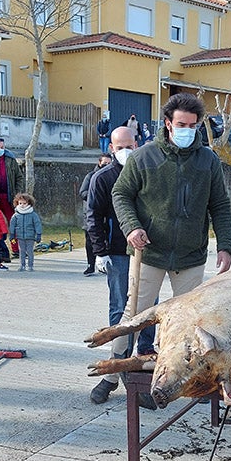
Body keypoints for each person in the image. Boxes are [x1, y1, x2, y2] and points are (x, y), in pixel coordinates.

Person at [96, 94, 231, 406]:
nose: (187, 129)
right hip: (151, 254)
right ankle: (109, 376)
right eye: (181, 124)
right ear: (168, 124)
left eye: (193, 125)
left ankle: (181, 381)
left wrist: (226, 246)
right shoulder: (144, 157)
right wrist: (131, 227)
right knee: (132, 316)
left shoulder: (208, 161)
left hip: (190, 257)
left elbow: (220, 206)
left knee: (190, 324)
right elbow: (121, 194)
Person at [86, 126, 157, 404]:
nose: (127, 150)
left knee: (150, 310)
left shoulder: (147, 173)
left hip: (148, 254)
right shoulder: (103, 178)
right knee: (121, 310)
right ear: (112, 148)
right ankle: (115, 371)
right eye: (120, 146)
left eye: (131, 145)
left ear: (137, 143)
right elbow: (93, 217)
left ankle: (142, 367)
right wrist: (100, 252)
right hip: (117, 254)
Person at [0, 138, 22, 260]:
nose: (0, 150)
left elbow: (19, 177)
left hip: (9, 197)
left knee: (13, 224)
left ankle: (16, 249)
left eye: (2, 147)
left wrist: (17, 194)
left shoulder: (11, 160)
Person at [79, 155, 111, 275]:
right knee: (90, 241)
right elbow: (83, 193)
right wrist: (98, 197)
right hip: (91, 214)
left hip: (107, 216)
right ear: (99, 163)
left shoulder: (112, 175)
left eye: (109, 163)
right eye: (104, 163)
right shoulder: (91, 176)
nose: (107, 165)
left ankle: (105, 264)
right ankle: (90, 265)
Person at [9, 193, 43, 271]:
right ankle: (22, 265)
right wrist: (12, 234)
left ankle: (30, 265)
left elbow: (37, 224)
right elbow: (12, 225)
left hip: (30, 236)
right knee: (22, 251)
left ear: (29, 203)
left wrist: (38, 234)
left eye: (24, 203)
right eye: (20, 203)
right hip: (20, 236)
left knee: (30, 251)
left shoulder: (33, 215)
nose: (22, 205)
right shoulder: (16, 215)